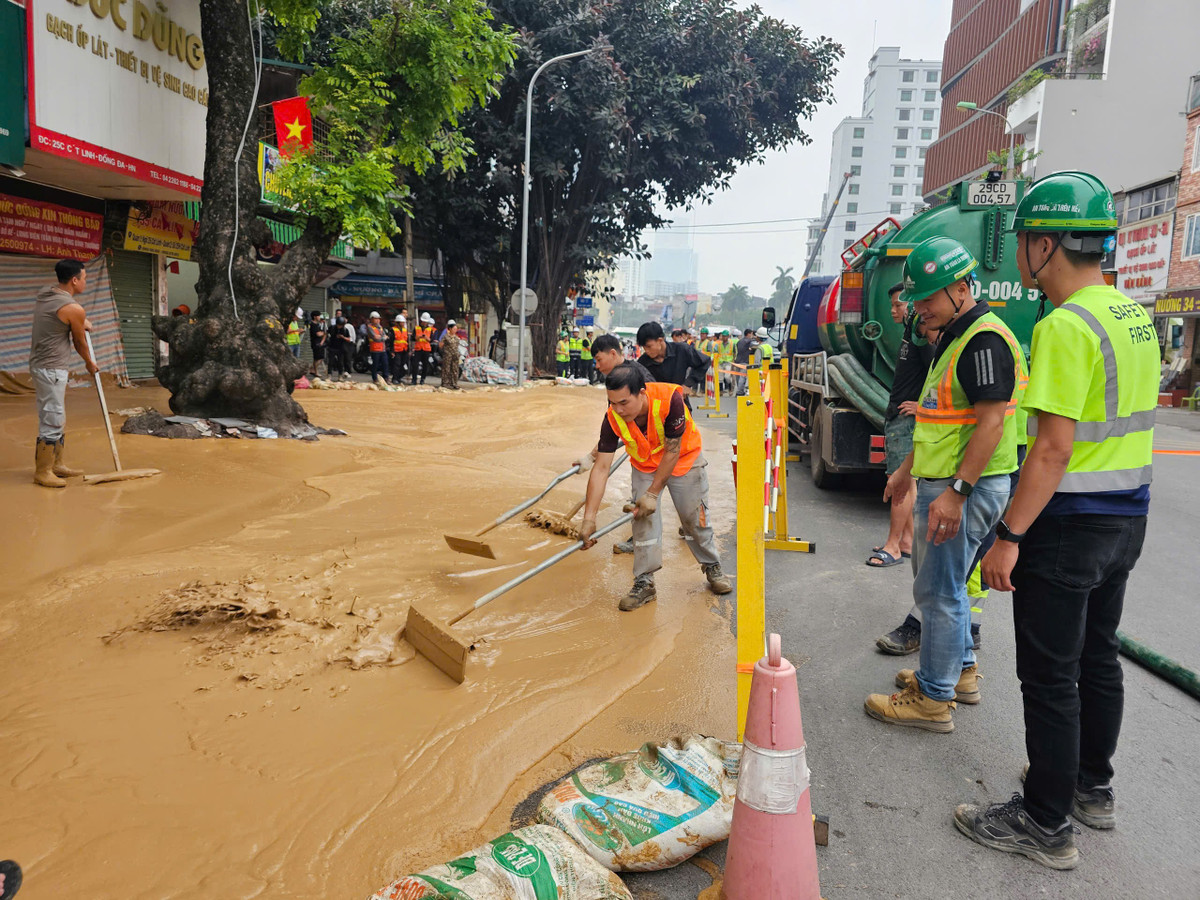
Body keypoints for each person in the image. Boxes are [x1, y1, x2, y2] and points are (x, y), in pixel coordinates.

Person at [958, 172, 1158, 869]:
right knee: (1097, 657)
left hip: (1068, 522)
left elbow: (1052, 448)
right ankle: (1088, 788)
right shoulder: (1133, 316)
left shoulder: (1066, 325)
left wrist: (1008, 536)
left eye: (1023, 242)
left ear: (1043, 245)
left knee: (1049, 675)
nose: (1020, 256)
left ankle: (1045, 824)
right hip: (1126, 518)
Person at [864, 236, 1024, 734]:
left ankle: (933, 699)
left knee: (939, 592)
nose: (918, 309)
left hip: (965, 486)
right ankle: (960, 674)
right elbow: (941, 416)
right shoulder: (956, 336)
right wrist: (906, 469)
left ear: (960, 288)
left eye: (928, 298)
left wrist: (956, 492)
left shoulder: (983, 340)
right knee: (948, 589)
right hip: (947, 479)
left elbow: (991, 423)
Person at [578, 363, 732, 610]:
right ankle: (644, 582)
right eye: (612, 402)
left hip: (684, 461)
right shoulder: (612, 417)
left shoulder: (670, 400)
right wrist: (589, 518)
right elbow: (601, 468)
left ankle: (712, 566)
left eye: (624, 402)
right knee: (643, 522)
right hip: (645, 465)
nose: (617, 409)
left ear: (641, 392)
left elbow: (672, 450)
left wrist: (652, 493)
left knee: (694, 519)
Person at [869, 284, 935, 575]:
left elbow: (942, 374)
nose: (893, 310)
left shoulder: (924, 336)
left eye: (898, 304)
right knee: (904, 482)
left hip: (906, 420)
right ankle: (908, 541)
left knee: (901, 482)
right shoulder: (912, 333)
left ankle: (893, 546)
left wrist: (924, 407)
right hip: (899, 416)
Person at [29, 258, 99, 488]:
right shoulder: (72, 309)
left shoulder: (47, 294)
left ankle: (57, 464)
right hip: (51, 369)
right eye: (85, 279)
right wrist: (90, 364)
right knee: (53, 417)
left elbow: (68, 318)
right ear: (74, 280)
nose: (86, 283)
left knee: (56, 414)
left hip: (42, 365)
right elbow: (80, 342)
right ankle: (43, 471)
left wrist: (81, 320)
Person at [636, 321, 711, 394]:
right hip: (656, 403)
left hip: (680, 400)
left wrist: (688, 384)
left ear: (660, 340)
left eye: (649, 346)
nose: (647, 351)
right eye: (644, 347)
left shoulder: (681, 350)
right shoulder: (642, 362)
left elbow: (705, 361)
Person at [731, 329, 758, 395]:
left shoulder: (739, 341)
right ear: (749, 334)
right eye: (752, 334)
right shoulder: (750, 342)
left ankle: (739, 389)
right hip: (745, 361)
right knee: (742, 377)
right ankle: (739, 392)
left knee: (738, 377)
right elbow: (755, 347)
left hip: (738, 361)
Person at [366, 311, 390, 382]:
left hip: (382, 349)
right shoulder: (370, 327)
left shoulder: (380, 327)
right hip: (375, 349)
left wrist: (381, 337)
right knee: (375, 365)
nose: (378, 320)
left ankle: (386, 378)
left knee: (385, 364)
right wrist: (383, 338)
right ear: (371, 319)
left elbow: (385, 336)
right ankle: (375, 379)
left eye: (378, 319)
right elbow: (375, 338)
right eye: (376, 319)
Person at [412, 313, 435, 384]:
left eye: (426, 322)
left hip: (426, 349)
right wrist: (419, 337)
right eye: (423, 321)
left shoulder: (430, 329)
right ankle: (414, 380)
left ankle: (422, 379)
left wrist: (426, 338)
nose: (425, 323)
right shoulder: (416, 328)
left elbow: (431, 339)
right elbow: (413, 338)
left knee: (425, 365)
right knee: (415, 365)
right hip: (418, 349)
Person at [440, 318, 462, 389]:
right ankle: (445, 383)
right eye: (454, 329)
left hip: (455, 356)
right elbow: (440, 345)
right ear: (450, 329)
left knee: (455, 370)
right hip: (447, 356)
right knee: (446, 369)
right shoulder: (445, 337)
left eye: (456, 329)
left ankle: (454, 383)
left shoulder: (456, 338)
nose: (455, 330)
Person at [391, 314, 409, 384]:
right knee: (397, 365)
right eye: (402, 322)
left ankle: (399, 378)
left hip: (404, 350)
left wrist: (408, 349)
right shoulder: (393, 330)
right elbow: (391, 341)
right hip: (397, 350)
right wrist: (392, 351)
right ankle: (395, 378)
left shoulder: (405, 330)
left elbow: (406, 340)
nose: (403, 324)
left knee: (403, 364)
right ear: (398, 322)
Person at [308, 312, 327, 378]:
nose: (319, 317)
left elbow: (322, 332)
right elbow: (318, 334)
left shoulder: (318, 324)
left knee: (318, 358)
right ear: (315, 317)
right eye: (318, 316)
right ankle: (315, 371)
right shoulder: (313, 325)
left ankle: (312, 369)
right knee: (318, 358)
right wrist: (323, 333)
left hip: (320, 342)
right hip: (316, 343)